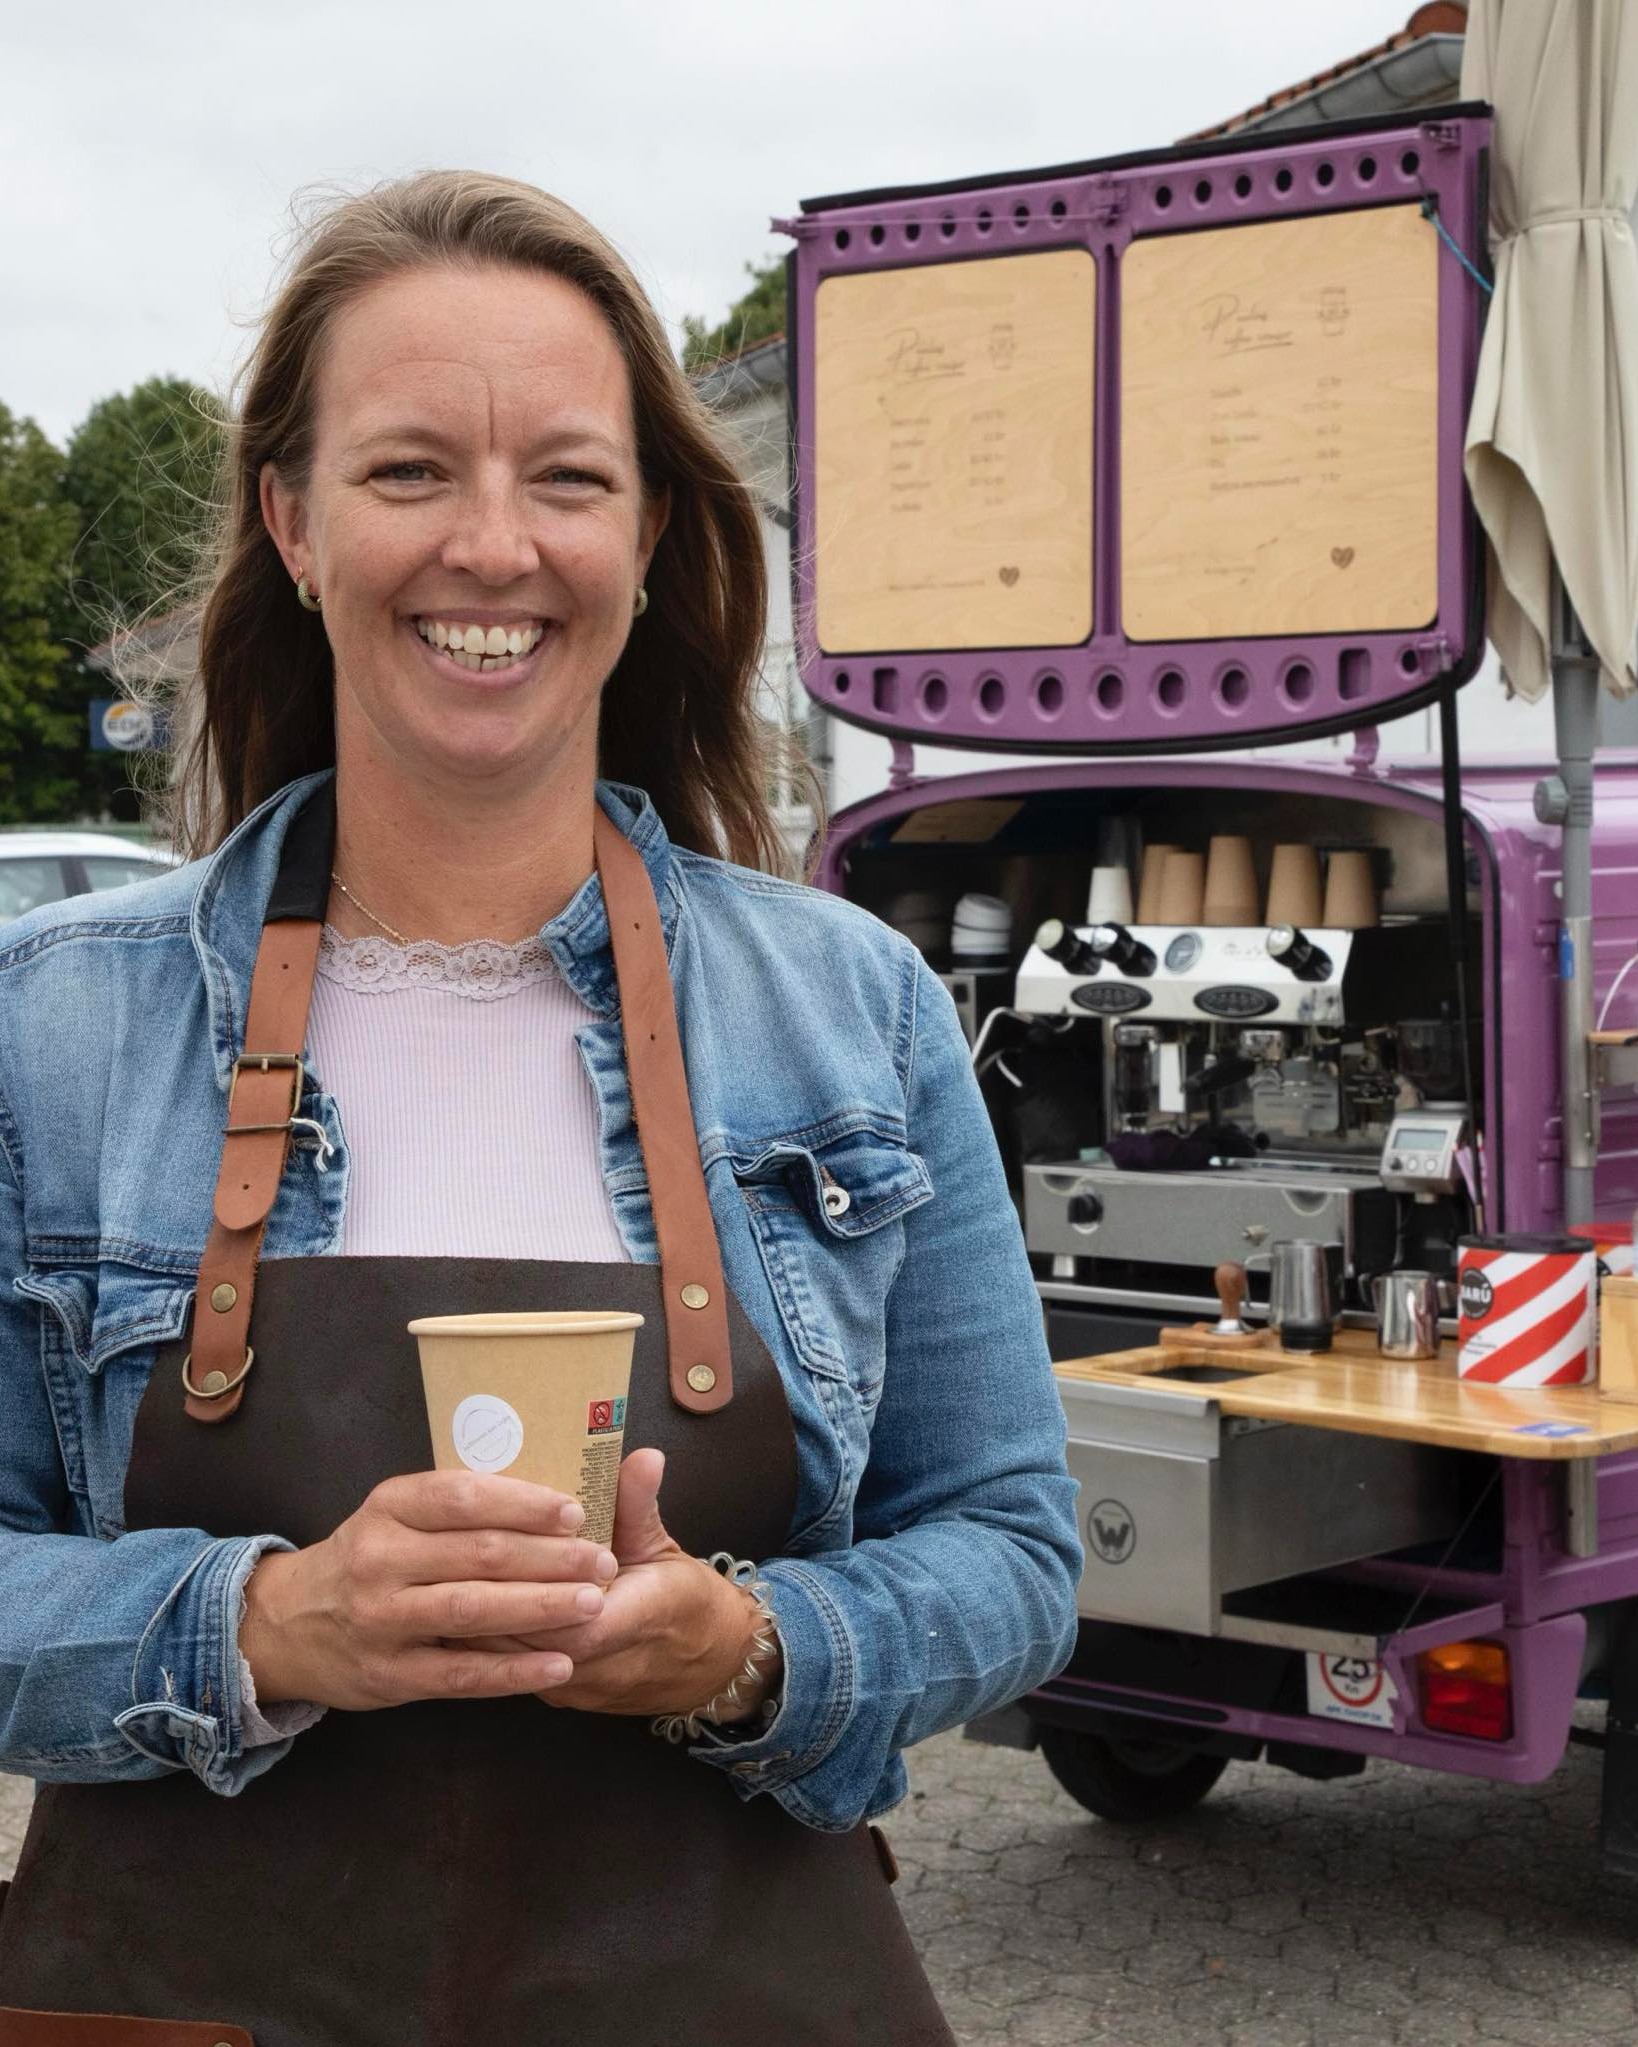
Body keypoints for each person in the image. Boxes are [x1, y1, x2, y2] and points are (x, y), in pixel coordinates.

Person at [0, 171, 1080, 2046]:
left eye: (566, 479)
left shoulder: (851, 1008)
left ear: (648, 536)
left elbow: (1010, 1547)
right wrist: (258, 1630)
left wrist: (754, 1649)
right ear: (295, 519)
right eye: (410, 470)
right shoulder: (54, 1028)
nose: (490, 546)